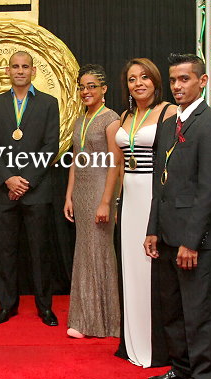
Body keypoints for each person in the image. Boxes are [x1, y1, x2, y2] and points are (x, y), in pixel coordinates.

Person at [144, 53, 211, 379]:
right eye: (173, 80)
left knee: (200, 316)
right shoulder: (169, 123)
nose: (177, 86)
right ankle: (181, 369)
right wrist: (152, 229)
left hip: (193, 240)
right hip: (166, 235)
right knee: (173, 311)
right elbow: (159, 184)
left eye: (185, 79)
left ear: (202, 80)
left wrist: (191, 242)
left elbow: (210, 191)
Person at [0, 51, 60, 327]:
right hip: (4, 191)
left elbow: (51, 146)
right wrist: (8, 179)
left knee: (40, 253)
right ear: (8, 71)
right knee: (5, 252)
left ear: (33, 71)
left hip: (36, 191)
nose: (20, 71)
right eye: (15, 66)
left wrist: (25, 180)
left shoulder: (49, 103)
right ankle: (7, 306)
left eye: (25, 66)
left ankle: (45, 307)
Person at [114, 58, 176, 366]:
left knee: (154, 269)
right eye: (132, 79)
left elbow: (174, 163)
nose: (138, 83)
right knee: (131, 268)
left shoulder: (169, 112)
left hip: (154, 197)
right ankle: (132, 341)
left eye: (144, 77)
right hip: (129, 199)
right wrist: (114, 201)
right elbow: (118, 164)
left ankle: (158, 347)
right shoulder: (125, 116)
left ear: (155, 81)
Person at [63, 64, 123, 338]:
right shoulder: (80, 119)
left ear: (104, 89)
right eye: (82, 87)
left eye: (91, 87)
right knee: (85, 252)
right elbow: (75, 160)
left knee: (99, 252)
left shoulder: (111, 119)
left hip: (101, 190)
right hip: (82, 192)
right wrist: (69, 195)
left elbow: (116, 163)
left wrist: (107, 202)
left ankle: (102, 322)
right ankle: (86, 319)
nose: (86, 91)